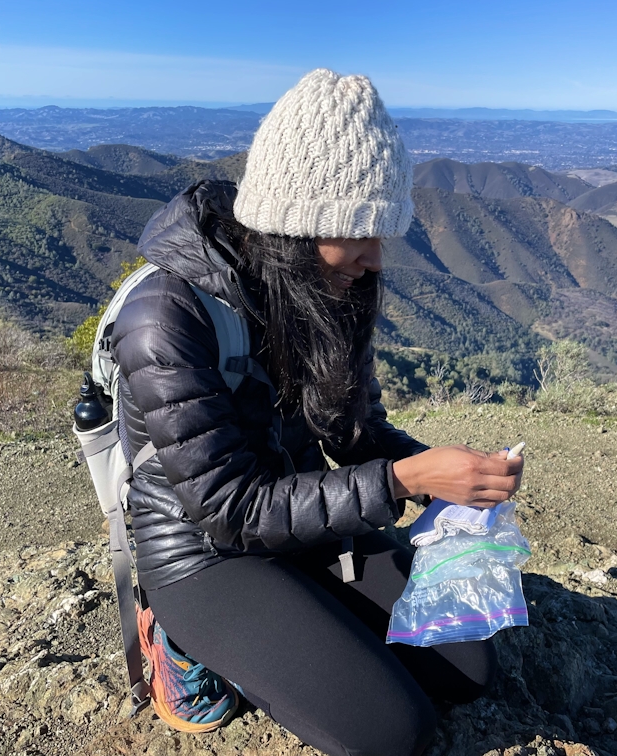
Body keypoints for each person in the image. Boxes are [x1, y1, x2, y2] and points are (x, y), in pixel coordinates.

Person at [110, 68, 524, 756]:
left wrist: (453, 478)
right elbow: (232, 509)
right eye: (357, 232)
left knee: (467, 670)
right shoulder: (166, 317)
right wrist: (403, 481)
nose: (372, 258)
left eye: (381, 233)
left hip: (302, 520)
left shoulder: (321, 288)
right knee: (395, 731)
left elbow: (351, 430)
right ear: (298, 222)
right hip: (206, 552)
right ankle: (175, 637)